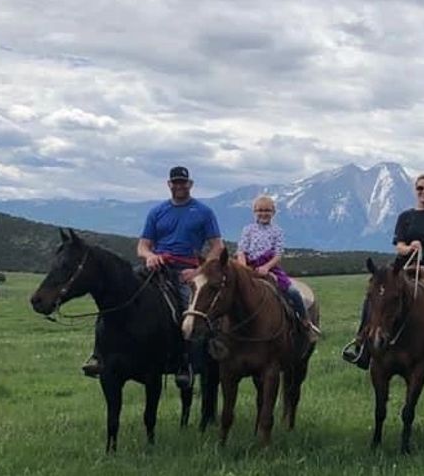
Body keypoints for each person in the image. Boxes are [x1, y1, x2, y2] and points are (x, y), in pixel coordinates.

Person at [81, 165, 223, 387]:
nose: (179, 186)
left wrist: (199, 271)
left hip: (186, 271)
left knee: (189, 311)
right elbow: (142, 246)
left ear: (190, 185)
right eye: (175, 182)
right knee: (114, 298)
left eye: (183, 182)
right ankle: (99, 355)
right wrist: (149, 256)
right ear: (169, 184)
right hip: (156, 267)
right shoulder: (157, 212)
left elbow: (217, 247)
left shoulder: (204, 212)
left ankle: (185, 362)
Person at [342, 174, 424, 376]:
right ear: (415, 190)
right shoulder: (405, 217)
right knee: (374, 298)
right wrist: (410, 247)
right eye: (420, 188)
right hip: (404, 270)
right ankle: (361, 344)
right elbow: (399, 246)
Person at [236, 195, 319, 339]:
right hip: (248, 266)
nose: (263, 213)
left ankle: (305, 321)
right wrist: (243, 268)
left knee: (292, 292)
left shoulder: (277, 231)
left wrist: (267, 267)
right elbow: (241, 250)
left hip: (269, 266)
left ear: (274, 212)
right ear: (254, 212)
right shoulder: (247, 229)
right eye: (260, 210)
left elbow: (278, 254)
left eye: (267, 210)